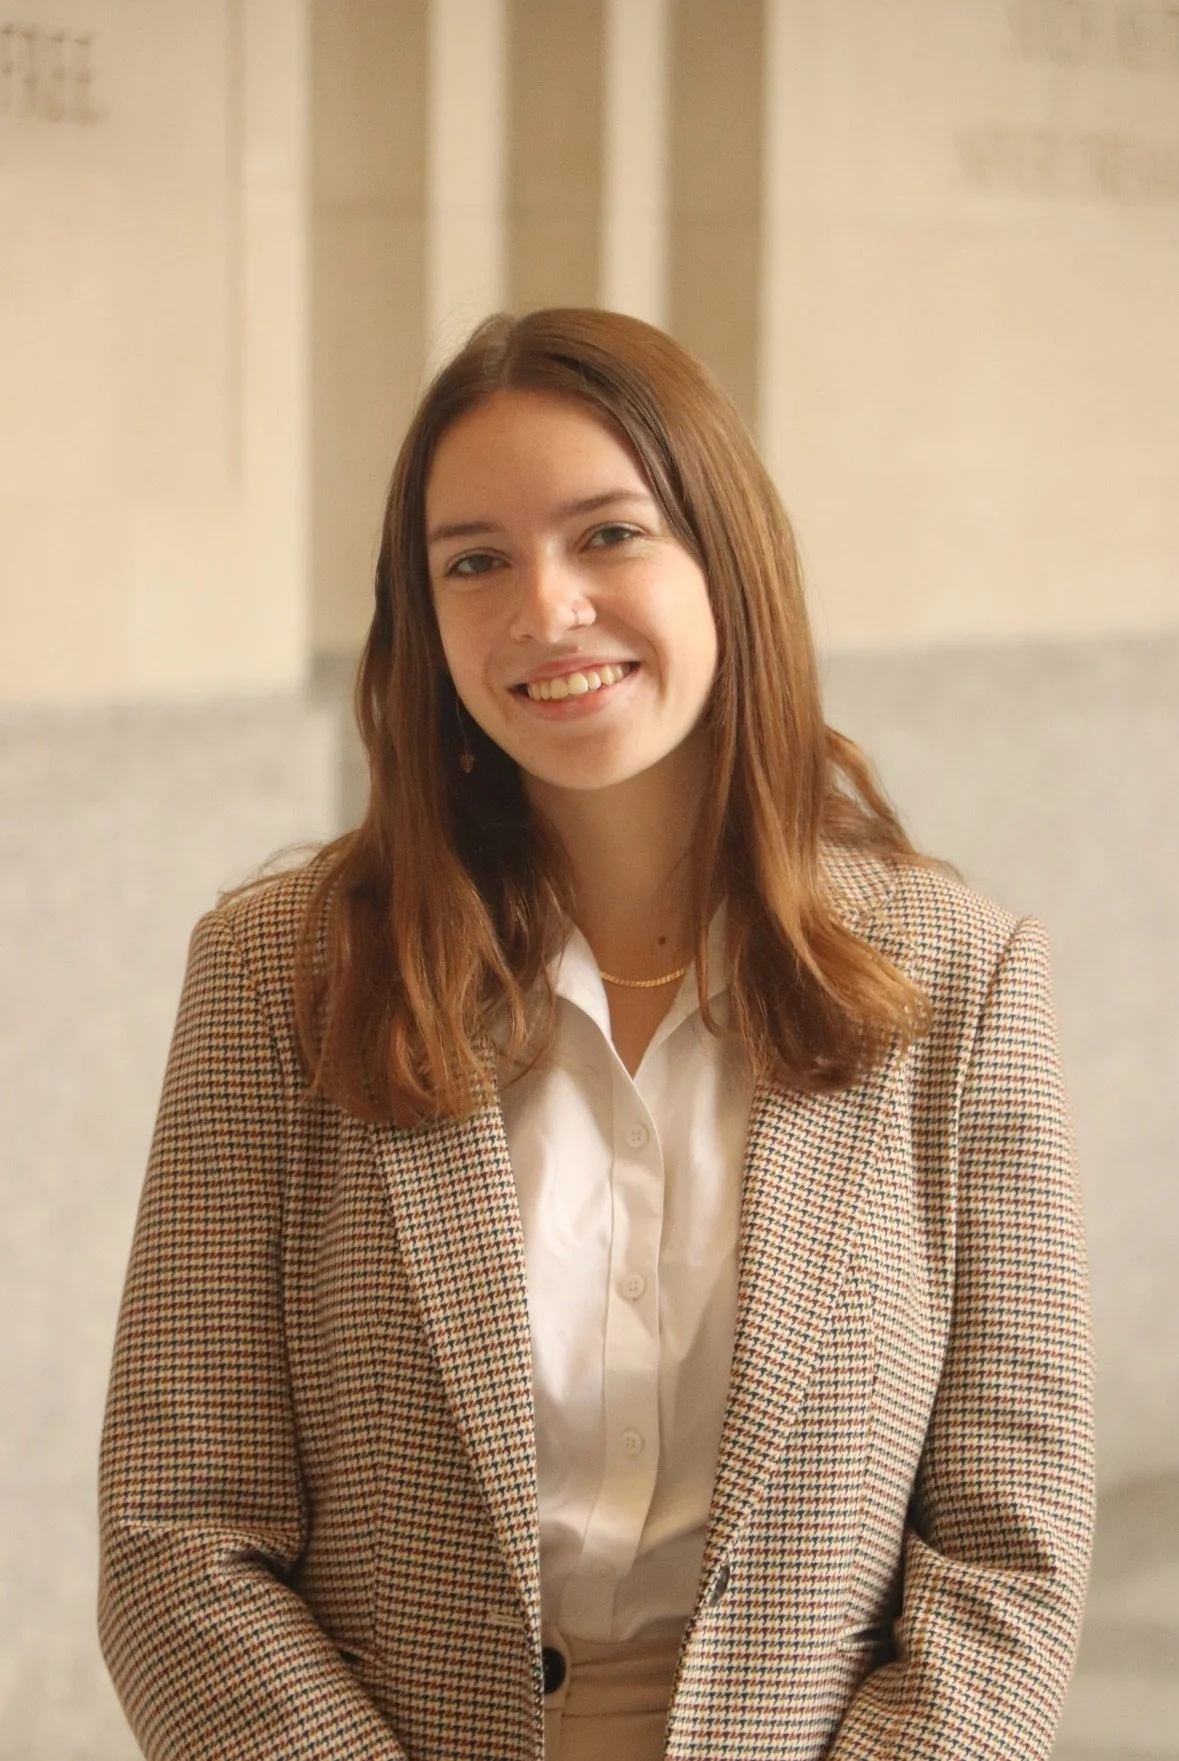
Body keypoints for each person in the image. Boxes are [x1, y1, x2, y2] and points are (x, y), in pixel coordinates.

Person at [98, 308, 1095, 1761]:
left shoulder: (960, 978)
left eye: (609, 535)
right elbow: (178, 1533)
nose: (544, 609)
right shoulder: (282, 974)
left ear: (726, 562)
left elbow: (1009, 1556)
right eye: (474, 562)